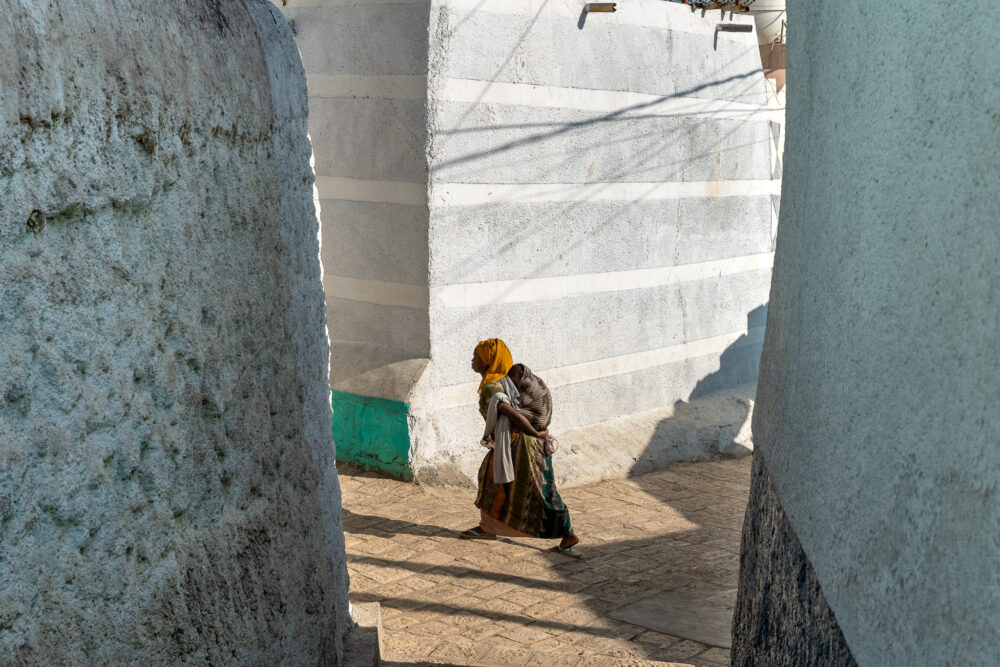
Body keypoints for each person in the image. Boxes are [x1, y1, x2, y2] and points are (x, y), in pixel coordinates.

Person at [460, 338, 581, 557]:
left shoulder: (491, 387)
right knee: (500, 483)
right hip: (519, 443)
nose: (472, 361)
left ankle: (568, 533)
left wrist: (534, 433)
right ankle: (488, 527)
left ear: (487, 361)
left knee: (538, 490)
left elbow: (510, 412)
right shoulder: (504, 381)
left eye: (476, 357)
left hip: (521, 445)